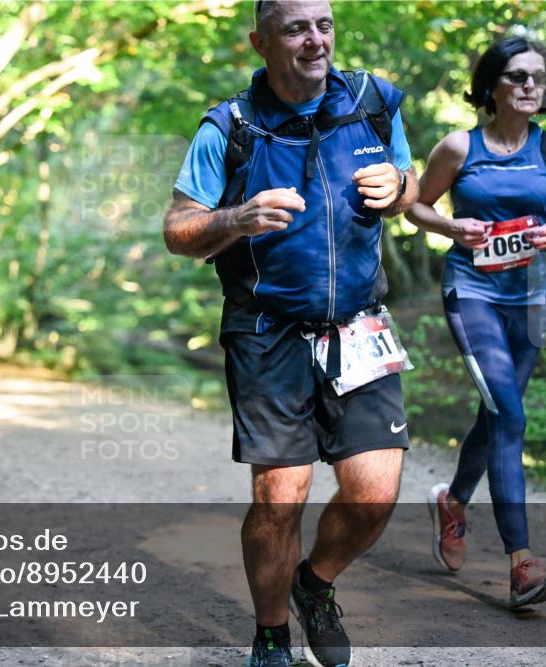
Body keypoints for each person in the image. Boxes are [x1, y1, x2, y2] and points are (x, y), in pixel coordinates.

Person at [163, 2, 417, 665]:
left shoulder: (373, 102)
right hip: (266, 332)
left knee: (375, 492)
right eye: (297, 28)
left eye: (324, 24)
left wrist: (401, 186)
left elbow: (410, 189)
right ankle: (271, 634)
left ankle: (315, 583)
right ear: (261, 42)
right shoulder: (231, 126)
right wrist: (238, 217)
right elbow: (178, 229)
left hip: (360, 327)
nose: (316, 39)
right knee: (281, 494)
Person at [405, 37, 546, 609]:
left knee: (500, 410)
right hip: (472, 290)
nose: (530, 86)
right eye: (516, 76)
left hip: (531, 294)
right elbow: (417, 206)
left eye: (538, 77)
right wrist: (455, 229)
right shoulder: (459, 147)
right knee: (510, 411)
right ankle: (522, 563)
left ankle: (453, 502)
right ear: (490, 87)